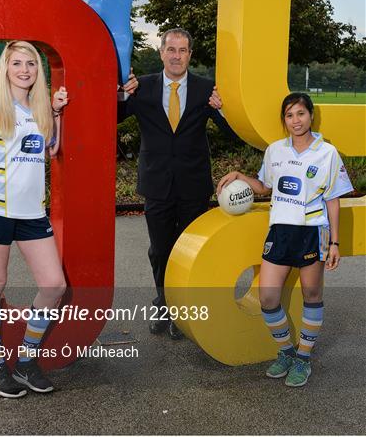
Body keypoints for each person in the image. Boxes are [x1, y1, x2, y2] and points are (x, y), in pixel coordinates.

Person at [217, 92, 353, 387]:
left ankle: (304, 359)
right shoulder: (275, 151)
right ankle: (286, 352)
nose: (295, 120)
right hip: (279, 232)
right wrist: (241, 176)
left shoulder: (326, 153)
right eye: (289, 115)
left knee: (311, 295)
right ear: (284, 120)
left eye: (300, 114)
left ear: (310, 116)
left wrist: (335, 244)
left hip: (311, 233)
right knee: (267, 297)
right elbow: (265, 187)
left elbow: (332, 200)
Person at [0, 40, 69, 398]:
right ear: (6, 70)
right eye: (17, 64)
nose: (25, 70)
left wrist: (55, 113)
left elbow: (51, 149)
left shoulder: (38, 111)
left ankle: (25, 362)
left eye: (31, 64)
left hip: (31, 214)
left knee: (54, 285)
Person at [119, 28, 234, 339]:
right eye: (171, 49)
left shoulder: (205, 89)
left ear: (190, 55)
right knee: (160, 250)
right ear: (161, 52)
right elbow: (112, 116)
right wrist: (121, 93)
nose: (176, 55)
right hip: (156, 184)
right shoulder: (140, 87)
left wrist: (221, 110)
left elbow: (230, 133)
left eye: (183, 50)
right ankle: (164, 305)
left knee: (190, 251)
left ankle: (184, 311)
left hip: (193, 185)